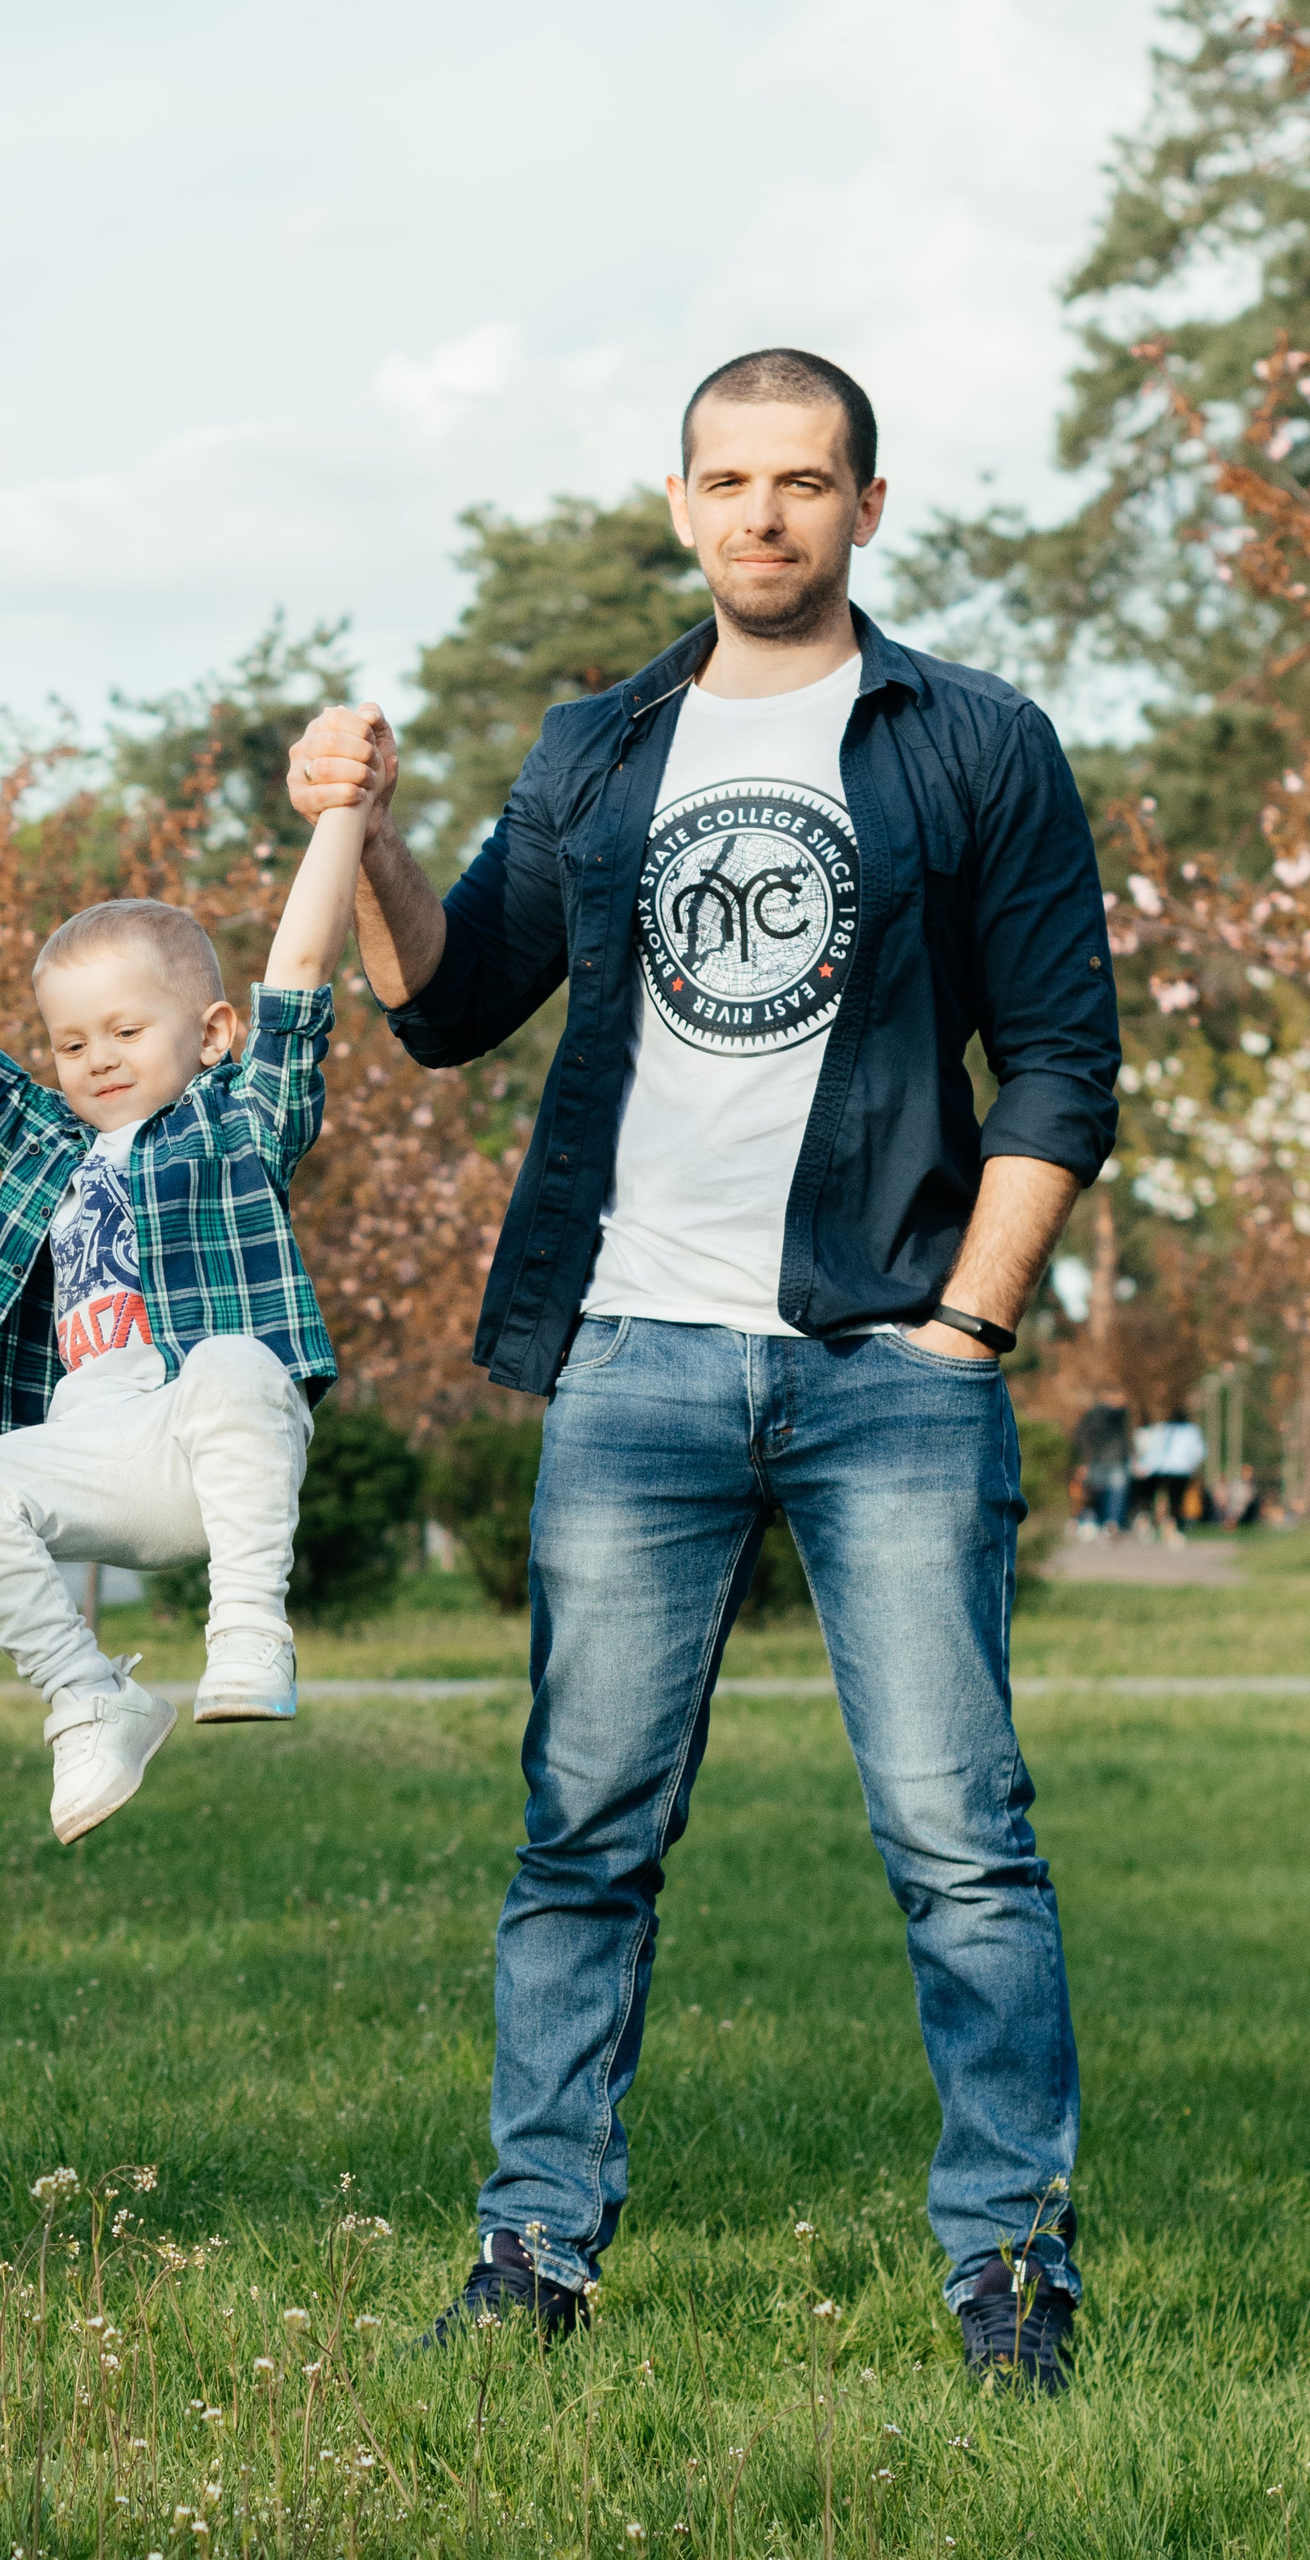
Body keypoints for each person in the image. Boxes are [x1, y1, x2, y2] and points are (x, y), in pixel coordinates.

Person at [293, 350, 1119, 2392]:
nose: (763, 515)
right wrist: (371, 835)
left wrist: (966, 1320)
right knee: (580, 1831)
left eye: (803, 482)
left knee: (956, 1837)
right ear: (679, 502)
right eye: (728, 481)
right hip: (636, 1358)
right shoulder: (595, 746)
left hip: (883, 1364)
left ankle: (1008, 2265)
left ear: (864, 504)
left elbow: (1062, 1061)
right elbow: (451, 996)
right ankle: (532, 2251)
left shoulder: (971, 742)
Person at [0, 803, 371, 1842]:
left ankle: (246, 1630)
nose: (95, 1057)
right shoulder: (48, 1151)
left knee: (241, 1361)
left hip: (212, 1444)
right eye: (70, 1041)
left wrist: (342, 812)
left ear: (210, 1033)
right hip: (94, 1456)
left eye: (124, 1030)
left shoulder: (238, 1119)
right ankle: (87, 1697)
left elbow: (297, 972)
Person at [1070, 1391, 1132, 1535]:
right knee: (1111, 1492)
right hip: (1105, 1460)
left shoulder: (1094, 1414)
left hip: (1106, 1459)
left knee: (1110, 1492)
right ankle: (1108, 1523)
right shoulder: (1114, 1413)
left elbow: (1082, 1437)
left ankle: (1108, 1523)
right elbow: (1084, 1437)